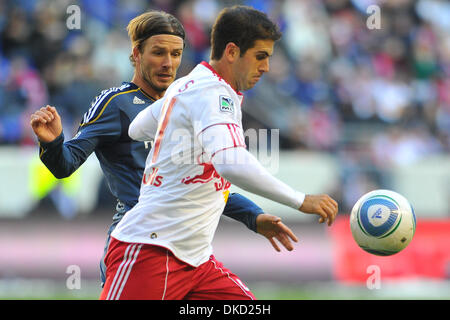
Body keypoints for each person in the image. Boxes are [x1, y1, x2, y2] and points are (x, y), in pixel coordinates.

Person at [29, 10, 299, 287]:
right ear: (136, 53)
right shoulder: (116, 104)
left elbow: (198, 183)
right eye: (158, 53)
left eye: (176, 53)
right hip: (139, 241)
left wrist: (252, 216)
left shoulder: (188, 99)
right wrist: (53, 142)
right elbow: (65, 165)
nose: (168, 63)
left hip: (184, 243)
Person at [101, 5, 338, 300]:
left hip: (197, 262)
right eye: (260, 56)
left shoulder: (188, 84)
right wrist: (300, 200)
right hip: (151, 252)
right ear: (231, 51)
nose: (265, 67)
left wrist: (181, 145)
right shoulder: (213, 94)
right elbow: (231, 163)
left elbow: (138, 127)